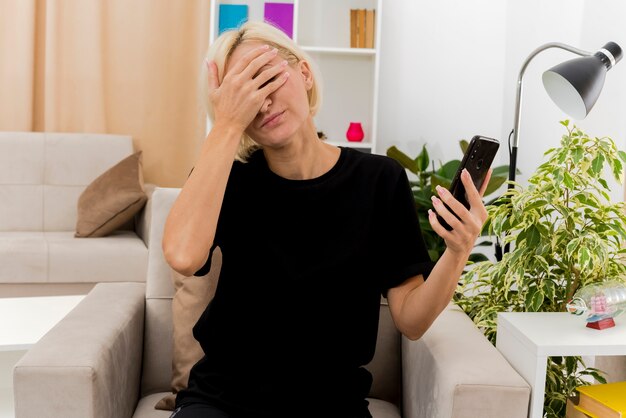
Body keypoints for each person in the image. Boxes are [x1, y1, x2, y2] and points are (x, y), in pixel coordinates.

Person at [162, 20, 491, 418]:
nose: (262, 102)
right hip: (223, 399)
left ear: (303, 73)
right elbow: (182, 255)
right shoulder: (228, 178)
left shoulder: (379, 180)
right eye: (243, 93)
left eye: (266, 78)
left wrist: (457, 252)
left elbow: (412, 320)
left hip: (331, 404)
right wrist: (227, 124)